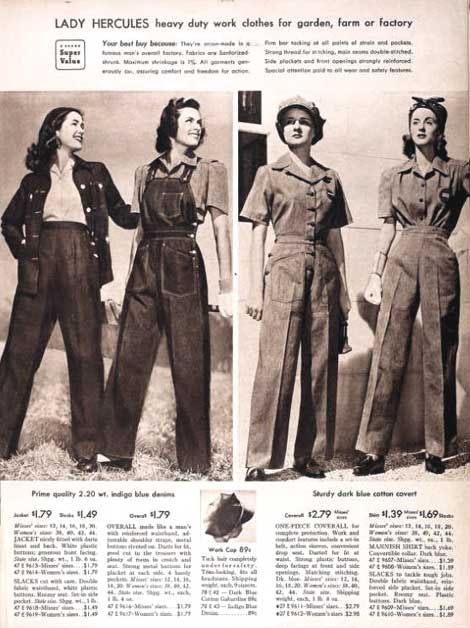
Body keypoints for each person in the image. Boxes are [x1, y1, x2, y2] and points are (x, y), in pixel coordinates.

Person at [0, 106, 138, 472]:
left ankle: (87, 450)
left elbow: (123, 215)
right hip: (38, 266)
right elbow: (9, 222)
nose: (82, 129)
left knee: (85, 356)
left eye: (84, 124)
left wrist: (158, 209)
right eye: (75, 123)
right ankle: (1, 444)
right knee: (18, 356)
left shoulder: (95, 174)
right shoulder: (33, 182)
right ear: (55, 130)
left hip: (81, 262)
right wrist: (27, 255)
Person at [98, 97, 232, 474]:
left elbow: (221, 228)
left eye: (200, 121)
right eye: (189, 120)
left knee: (189, 362)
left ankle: (193, 461)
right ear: (170, 126)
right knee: (129, 358)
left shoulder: (211, 170)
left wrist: (226, 286)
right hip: (145, 264)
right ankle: (114, 450)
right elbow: (139, 231)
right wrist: (125, 284)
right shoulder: (145, 172)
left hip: (184, 263)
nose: (197, 126)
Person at [354, 97, 470, 476]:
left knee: (439, 350)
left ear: (440, 130)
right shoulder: (393, 176)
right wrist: (375, 273)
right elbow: (387, 229)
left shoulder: (457, 170)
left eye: (429, 121)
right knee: (388, 349)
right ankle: (373, 450)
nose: (421, 126)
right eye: (416, 120)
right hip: (400, 258)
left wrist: (461, 239)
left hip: (440, 257)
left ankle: (437, 447)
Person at [242, 96, 352, 481]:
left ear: (314, 130)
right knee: (275, 366)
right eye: (288, 121)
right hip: (284, 267)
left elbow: (336, 239)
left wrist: (344, 292)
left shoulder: (330, 177)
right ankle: (259, 459)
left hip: (323, 272)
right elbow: (257, 235)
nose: (296, 127)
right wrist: (253, 290)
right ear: (281, 129)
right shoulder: (268, 174)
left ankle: (311, 456)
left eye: (304, 121)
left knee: (320, 367)